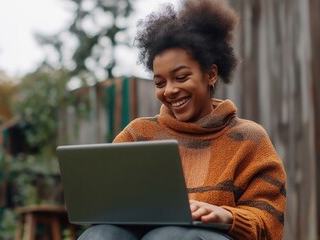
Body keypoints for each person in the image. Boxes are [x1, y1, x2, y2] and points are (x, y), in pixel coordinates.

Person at [77, 0, 286, 239]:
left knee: (169, 237)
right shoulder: (138, 134)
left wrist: (227, 216)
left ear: (211, 74)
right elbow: (106, 199)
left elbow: (269, 221)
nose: (170, 90)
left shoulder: (249, 139)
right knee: (99, 235)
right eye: (160, 82)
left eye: (181, 77)